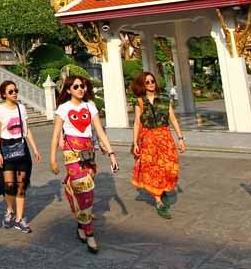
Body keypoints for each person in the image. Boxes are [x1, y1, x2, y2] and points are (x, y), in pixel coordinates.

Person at [50, 75, 119, 254]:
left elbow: (100, 132)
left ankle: (81, 222)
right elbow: (56, 134)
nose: (80, 89)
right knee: (85, 189)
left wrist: (111, 154)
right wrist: (52, 158)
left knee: (84, 192)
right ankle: (89, 233)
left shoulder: (90, 106)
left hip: (88, 152)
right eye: (76, 86)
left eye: (82, 86)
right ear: (68, 90)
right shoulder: (63, 109)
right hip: (71, 152)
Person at [130, 71, 186, 218]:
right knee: (153, 168)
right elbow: (137, 122)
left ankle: (163, 188)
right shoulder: (139, 101)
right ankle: (158, 200)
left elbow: (173, 119)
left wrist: (180, 138)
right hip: (148, 138)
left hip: (165, 137)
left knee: (169, 166)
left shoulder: (165, 99)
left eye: (152, 81)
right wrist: (135, 142)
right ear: (143, 85)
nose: (150, 84)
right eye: (147, 82)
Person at [0, 80, 42, 233]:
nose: (14, 93)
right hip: (6, 148)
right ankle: (9, 210)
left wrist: (35, 149)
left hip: (21, 149)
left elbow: (27, 130)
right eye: (11, 91)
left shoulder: (21, 108)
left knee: (21, 185)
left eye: (15, 90)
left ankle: (20, 219)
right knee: (9, 184)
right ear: (4, 94)